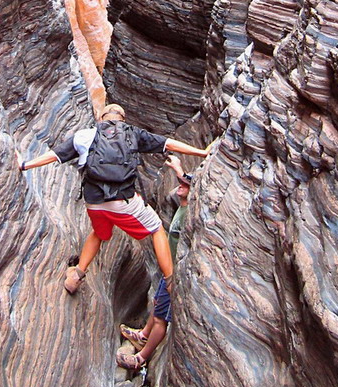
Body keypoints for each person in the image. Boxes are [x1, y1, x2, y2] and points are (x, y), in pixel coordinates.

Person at [17, 104, 208, 295]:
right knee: (156, 227)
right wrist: (201, 153)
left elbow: (55, 155)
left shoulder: (85, 135)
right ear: (122, 119)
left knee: (99, 233)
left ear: (101, 118)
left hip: (94, 203)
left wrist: (25, 165)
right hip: (122, 201)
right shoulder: (133, 133)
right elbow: (170, 144)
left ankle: (76, 276)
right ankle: (170, 281)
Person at [116, 154, 192, 372]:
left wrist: (178, 169)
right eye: (179, 183)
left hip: (176, 273)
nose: (180, 186)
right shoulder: (183, 205)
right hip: (168, 268)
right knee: (158, 304)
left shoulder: (190, 210)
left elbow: (194, 181)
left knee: (161, 318)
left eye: (184, 185)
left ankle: (140, 358)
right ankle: (142, 335)